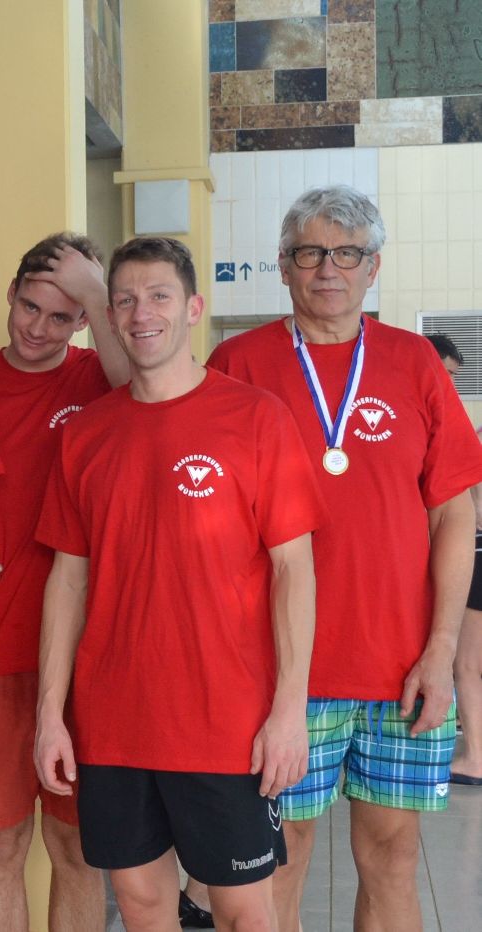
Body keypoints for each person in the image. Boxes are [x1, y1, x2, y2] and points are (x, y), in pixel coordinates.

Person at [208, 184, 482, 932]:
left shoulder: (414, 362)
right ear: (283, 266)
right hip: (280, 673)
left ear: (373, 267)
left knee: (392, 858)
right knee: (278, 864)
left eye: (347, 253)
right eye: (309, 253)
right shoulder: (237, 364)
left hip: (401, 669)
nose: (328, 268)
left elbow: (453, 512)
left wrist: (441, 649)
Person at [35, 235, 322, 931]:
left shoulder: (255, 418)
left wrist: (289, 710)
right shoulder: (85, 435)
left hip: (225, 721)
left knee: (243, 911)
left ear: (193, 308)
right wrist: (49, 713)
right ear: (109, 315)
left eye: (159, 296)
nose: (142, 313)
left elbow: (294, 570)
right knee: (139, 903)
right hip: (113, 721)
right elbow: (67, 581)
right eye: (125, 300)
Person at [0, 232, 125, 932]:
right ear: (10, 292)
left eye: (62, 316)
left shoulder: (99, 377)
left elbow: (147, 395)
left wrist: (97, 291)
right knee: (1, 845)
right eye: (29, 307)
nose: (37, 328)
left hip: (85, 655)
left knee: (76, 848)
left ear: (85, 319)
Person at [422, 334, 482, 786]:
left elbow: (467, 510)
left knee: (465, 663)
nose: (450, 385)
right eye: (446, 374)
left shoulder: (466, 434)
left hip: (474, 553)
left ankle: (476, 756)